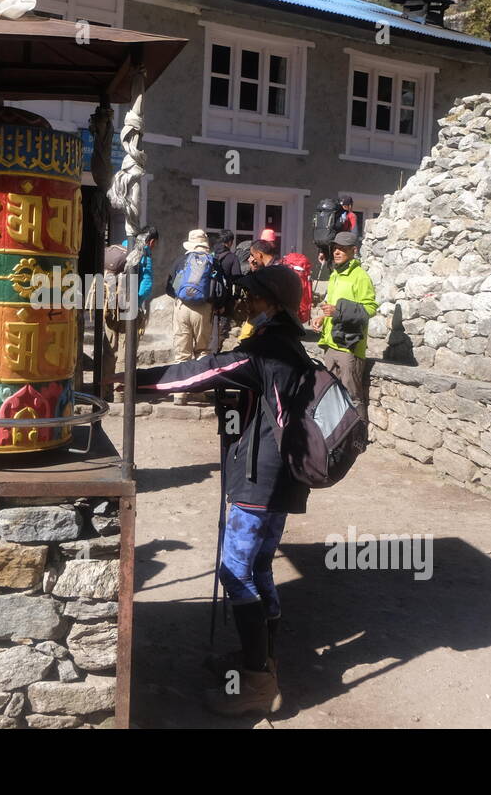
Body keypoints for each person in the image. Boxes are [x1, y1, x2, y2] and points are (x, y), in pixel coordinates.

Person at [122, 266, 314, 717]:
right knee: (259, 567)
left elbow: (202, 372)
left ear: (272, 304)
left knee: (235, 572)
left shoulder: (264, 350)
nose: (244, 303)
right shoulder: (290, 347)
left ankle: (256, 683)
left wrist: (134, 379)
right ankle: (261, 662)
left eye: (252, 297)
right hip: (282, 477)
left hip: (257, 480)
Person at [311, 231, 376, 423]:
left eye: (343, 248)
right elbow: (331, 305)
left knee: (353, 396)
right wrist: (322, 317)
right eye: (335, 248)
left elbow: (370, 309)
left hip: (350, 348)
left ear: (353, 251)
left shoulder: (361, 277)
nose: (337, 252)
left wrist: (338, 311)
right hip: (331, 344)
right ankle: (336, 434)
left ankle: (359, 436)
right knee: (329, 393)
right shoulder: (335, 275)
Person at [103, 225, 158, 397]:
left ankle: (103, 391)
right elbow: (147, 285)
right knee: (126, 350)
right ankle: (120, 394)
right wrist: (136, 302)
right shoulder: (144, 254)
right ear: (152, 241)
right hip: (128, 307)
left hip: (109, 305)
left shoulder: (120, 248)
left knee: (109, 348)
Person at [165, 228, 215, 404]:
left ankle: (180, 393)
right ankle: (198, 391)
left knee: (182, 354)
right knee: (202, 351)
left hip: (182, 308)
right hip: (203, 309)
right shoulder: (212, 261)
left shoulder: (182, 260)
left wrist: (182, 297)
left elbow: (170, 288)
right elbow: (220, 288)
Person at [238, 239, 281, 340]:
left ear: (260, 254)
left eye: (253, 255)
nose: (251, 258)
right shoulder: (273, 267)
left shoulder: (271, 272)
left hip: (269, 318)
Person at [210, 230, 241, 352]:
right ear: (230, 242)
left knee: (208, 327)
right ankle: (215, 353)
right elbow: (237, 279)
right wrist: (236, 298)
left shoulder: (210, 255)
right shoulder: (232, 258)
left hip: (208, 298)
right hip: (224, 299)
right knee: (220, 330)